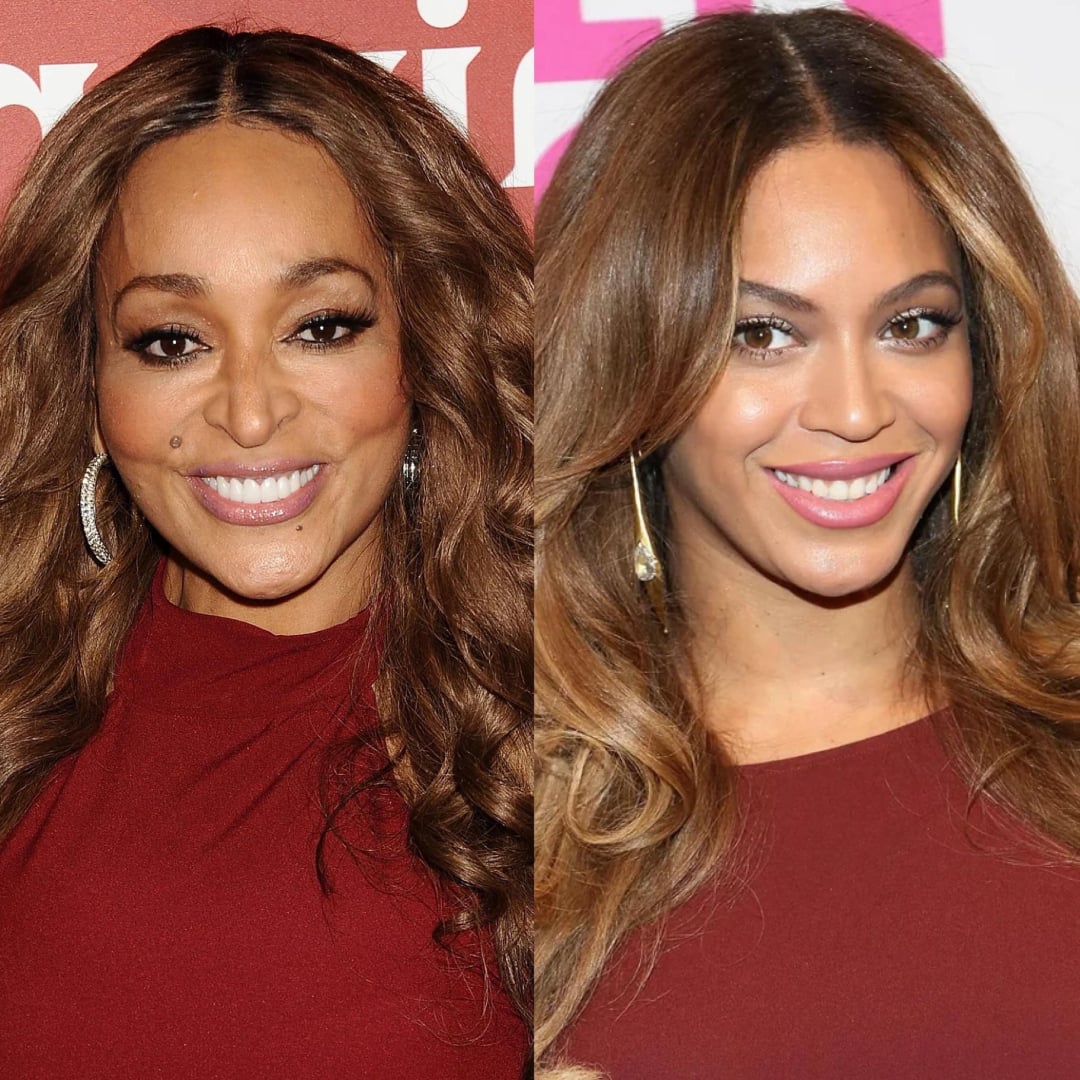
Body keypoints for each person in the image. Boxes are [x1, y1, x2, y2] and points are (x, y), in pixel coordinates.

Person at [535, 8, 1080, 1078]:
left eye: (912, 325)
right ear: (633, 357)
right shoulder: (512, 810)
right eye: (763, 333)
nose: (855, 410)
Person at [0, 26, 532, 1079]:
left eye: (320, 327)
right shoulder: (17, 717)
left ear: (428, 346)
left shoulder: (555, 723)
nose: (249, 414)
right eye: (172, 341)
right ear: (89, 383)